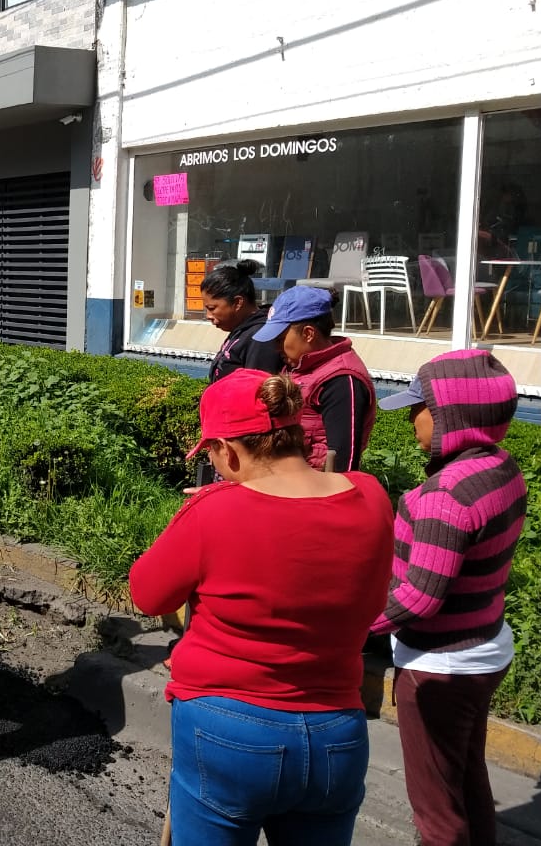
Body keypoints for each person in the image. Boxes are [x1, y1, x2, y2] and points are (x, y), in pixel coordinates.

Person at [129, 369, 394, 846]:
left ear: (227, 451)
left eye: (211, 453)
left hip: (229, 732)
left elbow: (148, 595)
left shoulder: (211, 511)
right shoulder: (371, 497)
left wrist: (200, 510)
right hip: (338, 732)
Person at [370, 350, 526, 846]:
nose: (410, 419)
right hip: (486, 646)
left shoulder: (446, 495)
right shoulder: (501, 468)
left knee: (436, 813)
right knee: (465, 778)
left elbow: (418, 599)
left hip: (440, 668)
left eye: (420, 409)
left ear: (450, 419)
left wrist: (349, 630)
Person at [253, 285, 376, 471]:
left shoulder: (342, 380)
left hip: (313, 491)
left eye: (279, 339)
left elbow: (344, 461)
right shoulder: (297, 366)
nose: (276, 348)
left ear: (308, 333)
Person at [201, 259, 284, 383]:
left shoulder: (261, 337)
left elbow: (257, 391)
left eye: (212, 308)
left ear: (237, 303)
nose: (208, 316)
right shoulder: (242, 329)